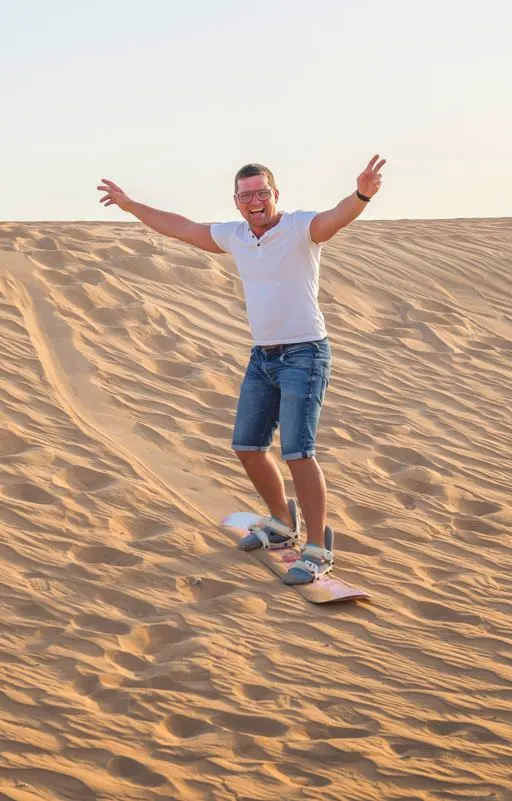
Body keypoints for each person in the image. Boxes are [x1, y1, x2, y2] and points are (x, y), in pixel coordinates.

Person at [97, 155, 386, 584]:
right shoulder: (235, 236)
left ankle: (319, 548)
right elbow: (180, 227)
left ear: (275, 195)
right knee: (248, 447)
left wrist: (361, 194)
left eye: (262, 192)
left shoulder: (299, 229)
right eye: (247, 194)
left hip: (305, 354)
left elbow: (335, 219)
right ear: (237, 202)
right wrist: (130, 205)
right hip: (263, 357)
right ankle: (282, 523)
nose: (255, 200)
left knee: (297, 452)